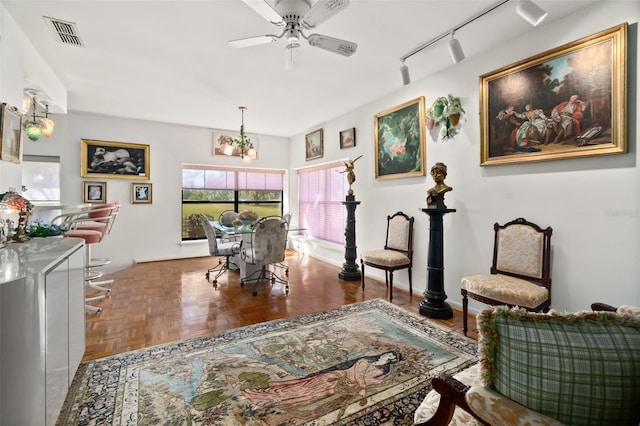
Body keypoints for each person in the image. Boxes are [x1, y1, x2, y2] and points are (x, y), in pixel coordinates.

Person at [242, 350, 400, 409]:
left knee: (311, 396)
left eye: (391, 357)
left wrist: (386, 379)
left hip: (347, 386)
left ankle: (272, 401)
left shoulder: (381, 370)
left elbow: (373, 381)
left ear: (391, 361)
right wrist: (363, 387)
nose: (388, 356)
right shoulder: (366, 361)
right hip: (339, 377)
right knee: (306, 389)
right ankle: (268, 395)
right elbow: (359, 375)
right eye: (389, 354)